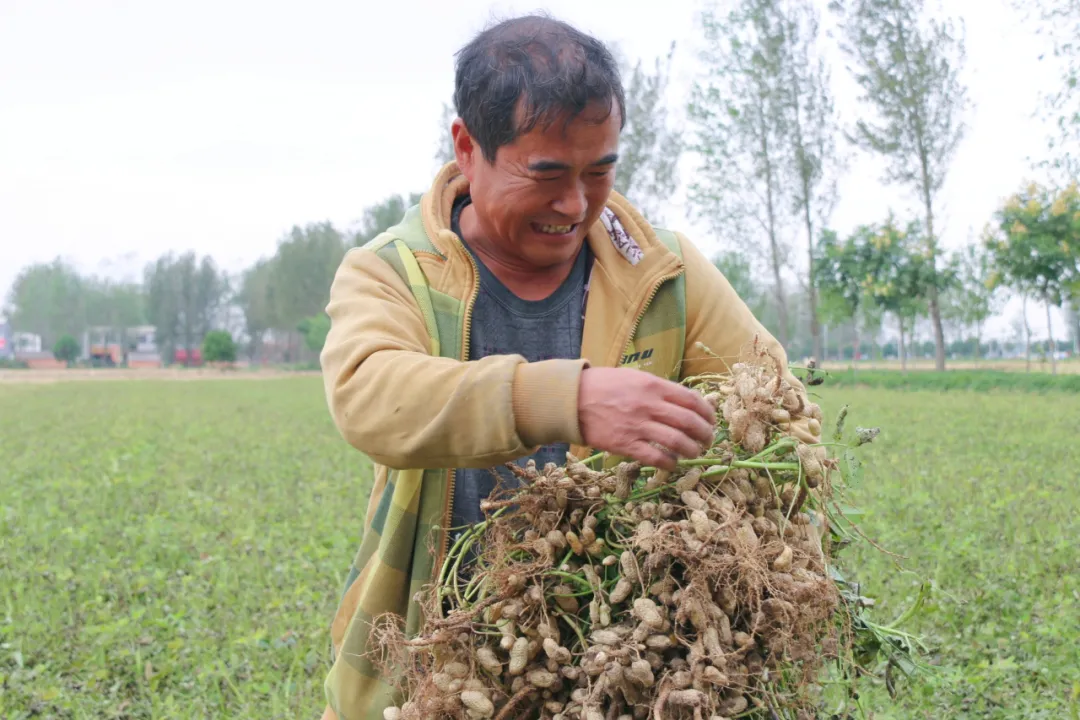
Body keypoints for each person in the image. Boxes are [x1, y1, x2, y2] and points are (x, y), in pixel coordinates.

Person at [316, 13, 818, 720]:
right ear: (467, 147)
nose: (575, 204)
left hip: (619, 666)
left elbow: (779, 407)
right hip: (436, 660)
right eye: (546, 174)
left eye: (600, 170)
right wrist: (567, 399)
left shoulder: (662, 272)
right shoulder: (394, 273)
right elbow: (369, 396)